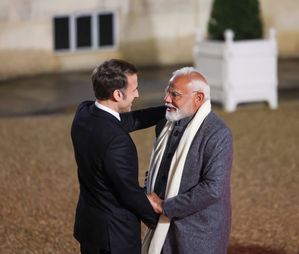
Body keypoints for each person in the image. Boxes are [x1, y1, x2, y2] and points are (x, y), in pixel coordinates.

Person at [71, 59, 165, 254]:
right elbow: (128, 193)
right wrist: (159, 220)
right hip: (114, 237)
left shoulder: (84, 113)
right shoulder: (117, 142)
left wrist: (167, 111)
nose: (138, 94)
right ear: (117, 94)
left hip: (90, 227)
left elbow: (126, 121)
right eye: (134, 90)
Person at [142, 67, 233, 254]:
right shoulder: (164, 124)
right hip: (162, 228)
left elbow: (212, 189)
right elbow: (156, 169)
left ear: (198, 98)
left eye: (175, 95)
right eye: (167, 92)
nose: (166, 99)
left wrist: (163, 206)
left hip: (198, 232)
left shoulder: (218, 134)